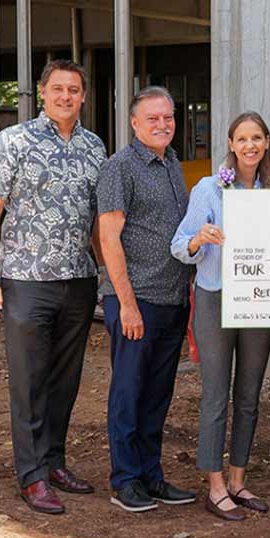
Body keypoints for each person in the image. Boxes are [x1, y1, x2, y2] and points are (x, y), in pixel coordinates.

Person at [0, 60, 105, 514]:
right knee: (29, 381)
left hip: (78, 279)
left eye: (74, 90)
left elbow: (95, 220)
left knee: (65, 380)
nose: (66, 96)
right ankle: (30, 475)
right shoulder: (14, 141)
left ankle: (54, 461)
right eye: (58, 89)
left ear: (83, 96)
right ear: (42, 93)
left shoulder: (94, 147)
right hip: (25, 279)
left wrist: (105, 272)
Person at [171, 112, 270, 521]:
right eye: (243, 138)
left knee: (250, 396)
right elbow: (179, 243)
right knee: (216, 395)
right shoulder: (208, 189)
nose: (250, 145)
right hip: (215, 298)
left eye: (257, 137)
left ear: (267, 143)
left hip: (257, 301)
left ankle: (238, 480)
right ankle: (215, 484)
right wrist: (200, 238)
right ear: (231, 144)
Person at [97, 86, 196, 513]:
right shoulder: (119, 168)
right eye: (152, 118)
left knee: (158, 393)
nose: (162, 124)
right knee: (128, 392)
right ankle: (125, 480)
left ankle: (151, 475)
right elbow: (109, 239)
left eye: (168, 117)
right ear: (135, 123)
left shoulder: (173, 164)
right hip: (136, 302)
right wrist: (128, 304)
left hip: (173, 301)